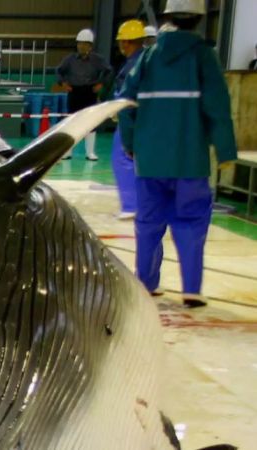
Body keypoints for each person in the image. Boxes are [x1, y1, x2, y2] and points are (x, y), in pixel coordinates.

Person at [118, 0, 237, 308]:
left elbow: (126, 106)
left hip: (149, 160)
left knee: (148, 223)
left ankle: (145, 284)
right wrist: (225, 150)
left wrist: (130, 144)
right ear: (199, 20)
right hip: (190, 160)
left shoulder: (147, 58)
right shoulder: (203, 57)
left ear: (167, 17)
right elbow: (218, 106)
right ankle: (191, 289)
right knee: (191, 221)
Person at [56, 28, 112, 161]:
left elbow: (109, 71)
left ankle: (90, 152)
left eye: (85, 44)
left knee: (90, 122)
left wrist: (102, 84)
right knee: (71, 121)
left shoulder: (97, 60)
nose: (81, 46)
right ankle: (68, 152)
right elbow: (58, 71)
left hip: (89, 92)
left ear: (90, 46)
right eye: (79, 43)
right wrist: (62, 83)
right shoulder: (69, 59)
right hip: (74, 92)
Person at [111, 20, 147, 220]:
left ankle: (131, 206)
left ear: (125, 42)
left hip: (131, 118)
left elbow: (126, 96)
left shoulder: (133, 66)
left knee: (123, 158)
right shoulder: (146, 60)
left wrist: (118, 110)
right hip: (147, 119)